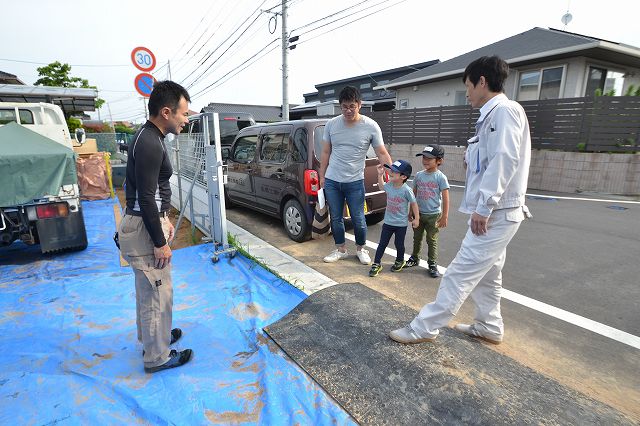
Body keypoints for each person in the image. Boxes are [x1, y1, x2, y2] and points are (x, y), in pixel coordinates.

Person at [389, 56, 532, 345]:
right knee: (489, 274)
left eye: (468, 85)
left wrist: (485, 206)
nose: (466, 92)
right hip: (496, 212)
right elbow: (489, 161)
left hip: (497, 213)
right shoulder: (492, 116)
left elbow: (505, 160)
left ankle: (424, 327)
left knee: (458, 273)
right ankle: (489, 326)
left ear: (482, 81)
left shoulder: (504, 111)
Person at [118, 81, 193, 373]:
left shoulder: (149, 136)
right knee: (157, 291)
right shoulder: (150, 141)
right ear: (166, 112)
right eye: (183, 114)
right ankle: (157, 356)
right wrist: (160, 241)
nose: (186, 120)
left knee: (148, 290)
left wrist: (166, 218)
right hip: (143, 228)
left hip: (143, 222)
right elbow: (147, 197)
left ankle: (154, 337)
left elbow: (150, 194)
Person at [319, 86, 392, 265]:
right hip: (332, 180)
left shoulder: (371, 126)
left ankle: (361, 249)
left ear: (360, 104)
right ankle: (341, 249)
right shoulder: (331, 125)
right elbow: (326, 152)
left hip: (355, 181)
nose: (348, 110)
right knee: (335, 217)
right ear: (340, 106)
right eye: (344, 106)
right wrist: (322, 176)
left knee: (359, 217)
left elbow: (381, 152)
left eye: (352, 106)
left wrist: (392, 171)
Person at [405, 144, 450, 278]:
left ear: (439, 161)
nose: (425, 160)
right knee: (417, 238)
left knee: (432, 239)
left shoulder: (440, 177)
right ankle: (414, 258)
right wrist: (411, 211)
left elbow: (446, 199)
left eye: (429, 158)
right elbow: (413, 195)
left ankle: (432, 263)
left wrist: (444, 217)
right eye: (424, 157)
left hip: (434, 215)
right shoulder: (419, 176)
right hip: (419, 214)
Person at [369, 160, 419, 277]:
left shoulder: (406, 190)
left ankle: (399, 260)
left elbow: (414, 204)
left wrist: (416, 218)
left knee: (399, 244)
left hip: (401, 224)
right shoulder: (390, 185)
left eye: (394, 172)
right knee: (382, 243)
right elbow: (382, 187)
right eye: (391, 170)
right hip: (388, 222)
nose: (390, 172)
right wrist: (380, 175)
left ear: (403, 176)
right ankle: (376, 263)